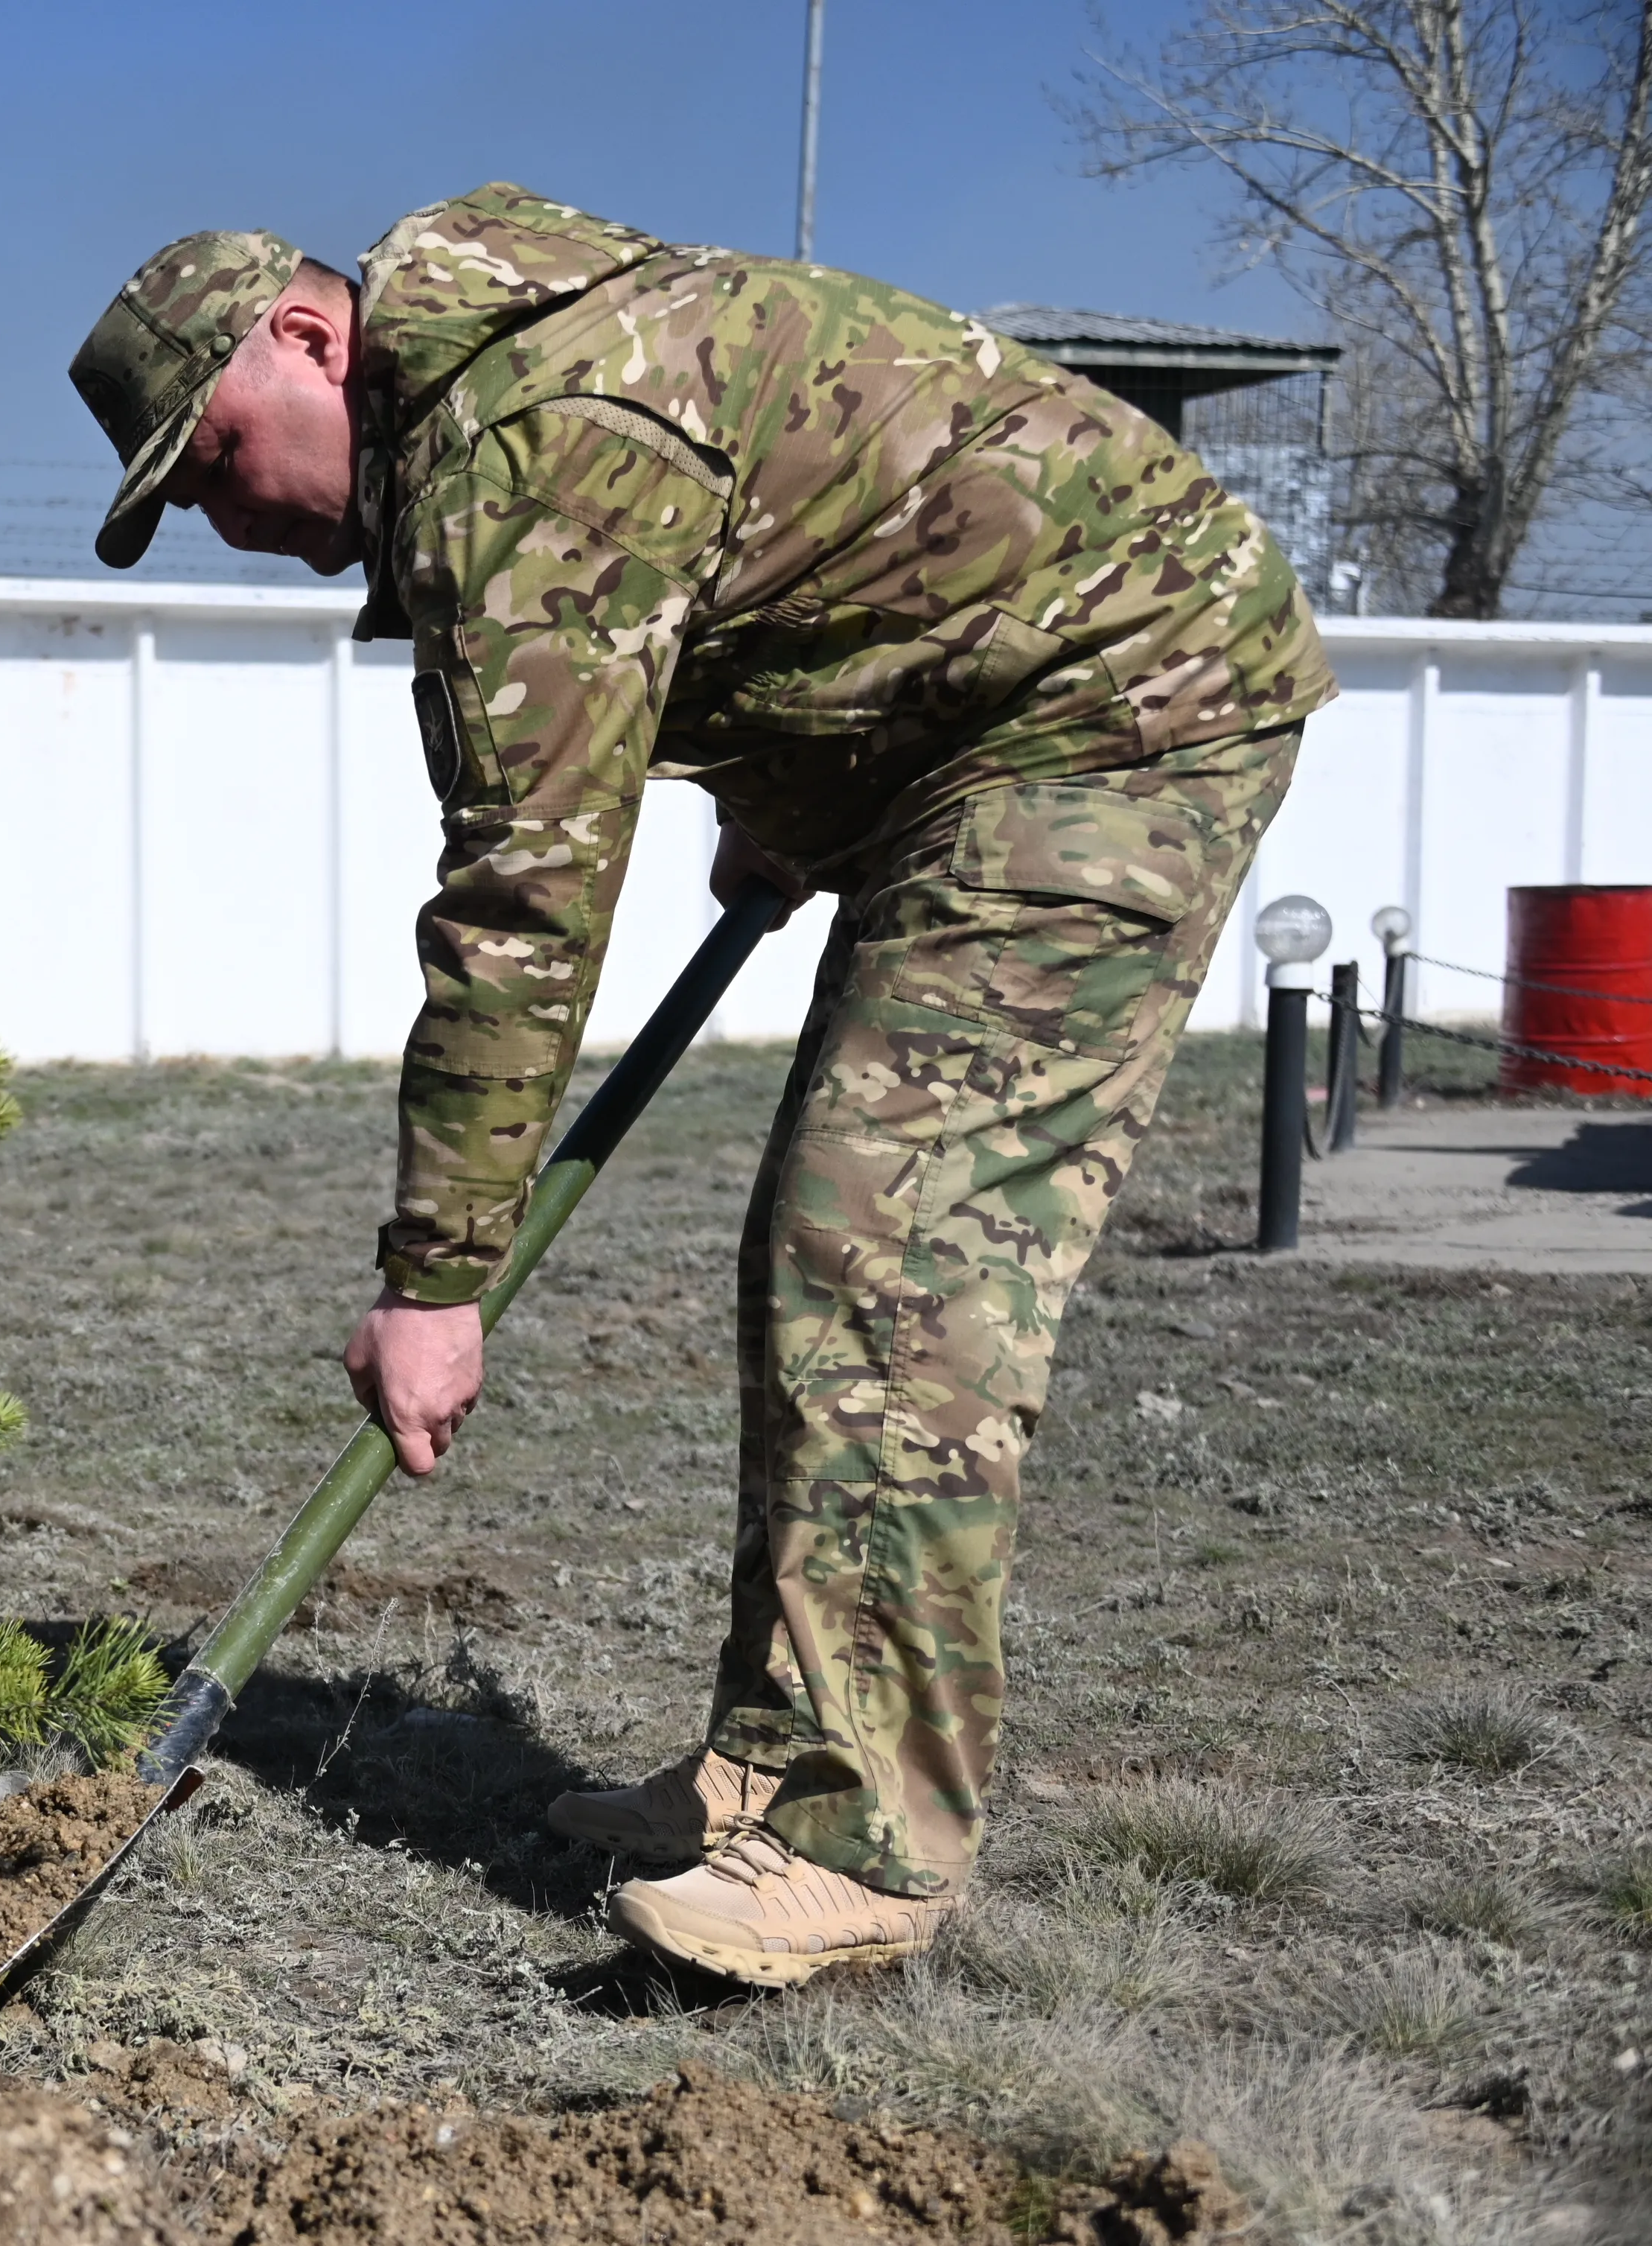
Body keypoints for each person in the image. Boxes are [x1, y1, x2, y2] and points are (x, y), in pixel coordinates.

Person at [67, 189, 1326, 1987]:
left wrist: (433, 1276)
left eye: (211, 460)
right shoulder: (502, 408)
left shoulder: (530, 438)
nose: (226, 517)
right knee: (809, 1242)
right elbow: (796, 564)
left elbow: (522, 895)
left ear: (308, 340)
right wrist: (793, 793)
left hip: (1119, 701)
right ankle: (768, 1755)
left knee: (883, 1247)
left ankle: (863, 1839)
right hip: (978, 722)